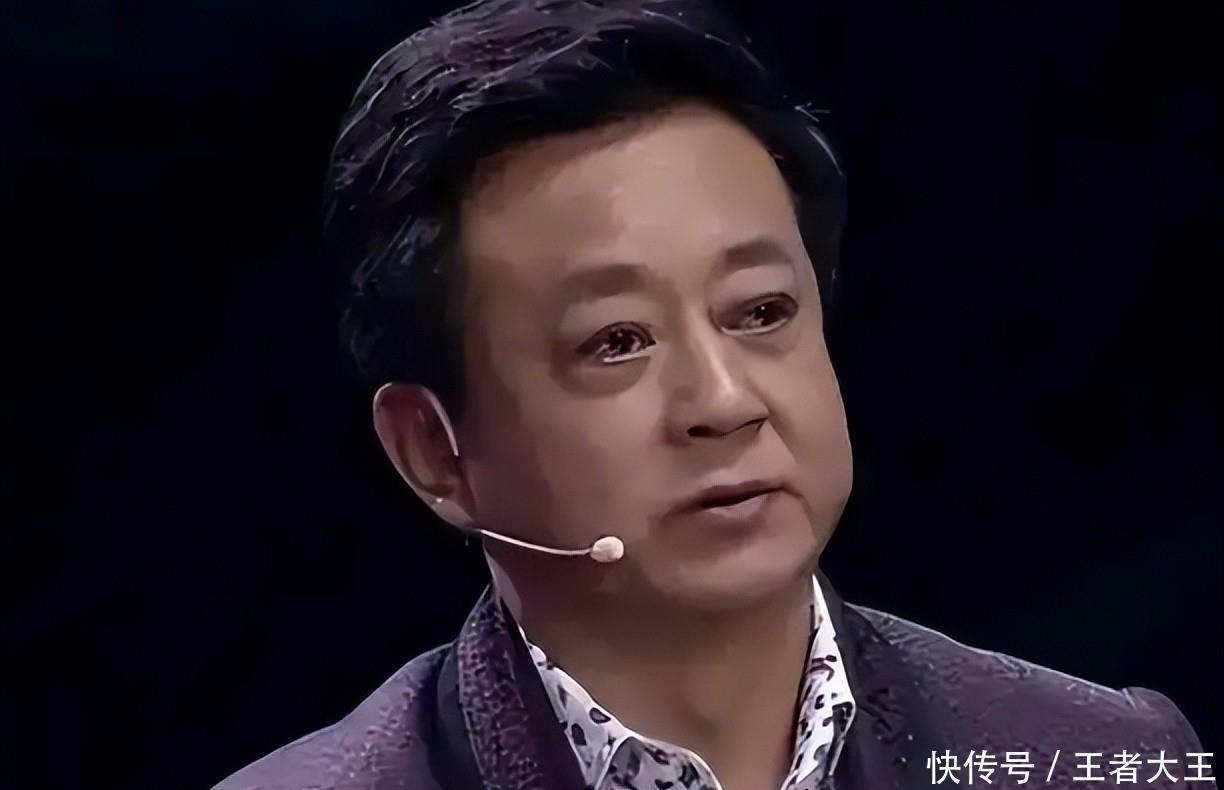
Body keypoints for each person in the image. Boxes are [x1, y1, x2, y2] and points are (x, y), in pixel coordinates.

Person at [215, 1, 1212, 788]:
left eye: (762, 312)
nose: (726, 401)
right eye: (616, 341)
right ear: (436, 452)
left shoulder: (1094, 757)